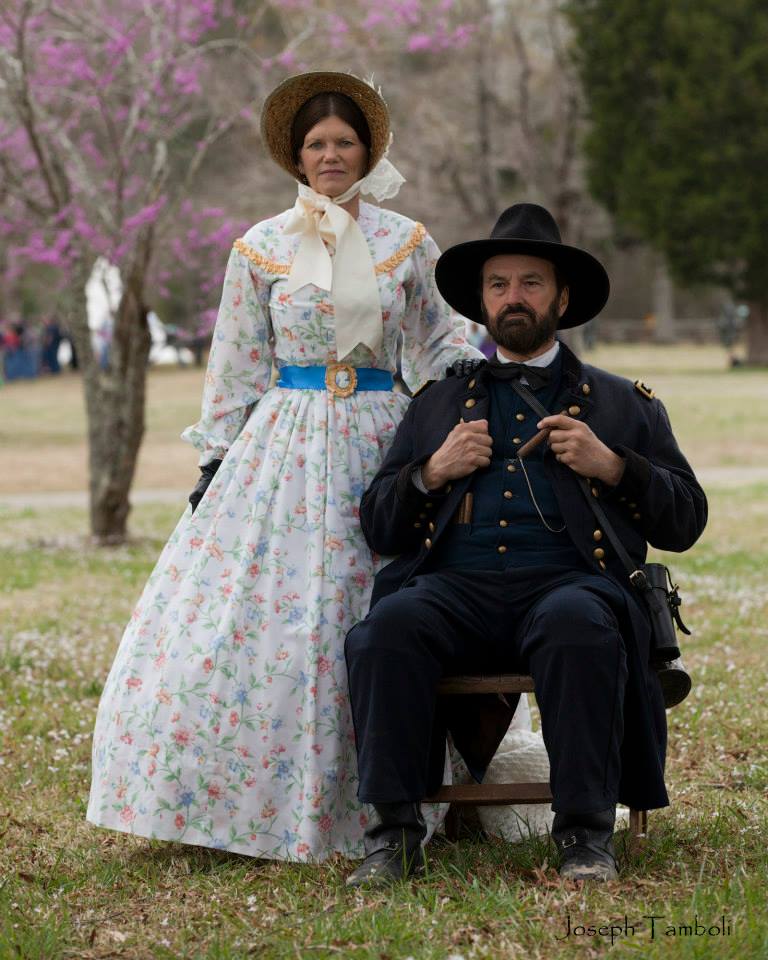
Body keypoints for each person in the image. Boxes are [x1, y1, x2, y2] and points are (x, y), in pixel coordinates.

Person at [86, 72, 483, 861]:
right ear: (296, 159)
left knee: (369, 606)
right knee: (264, 617)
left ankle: (392, 795)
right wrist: (216, 461)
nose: (331, 155)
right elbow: (236, 364)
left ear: (367, 150)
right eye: (316, 145)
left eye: (343, 143)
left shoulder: (406, 240)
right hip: (284, 444)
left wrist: (486, 388)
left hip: (382, 437)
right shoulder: (260, 248)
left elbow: (439, 343)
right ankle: (246, 800)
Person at [344, 202, 708, 886]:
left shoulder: (621, 403)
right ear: (482, 302)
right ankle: (394, 834)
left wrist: (615, 465)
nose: (515, 297)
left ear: (562, 297)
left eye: (531, 282)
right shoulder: (434, 406)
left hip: (570, 586)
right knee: (383, 632)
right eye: (499, 284)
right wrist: (429, 472)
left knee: (579, 626)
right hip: (456, 591)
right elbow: (380, 525)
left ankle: (585, 836)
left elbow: (686, 520)